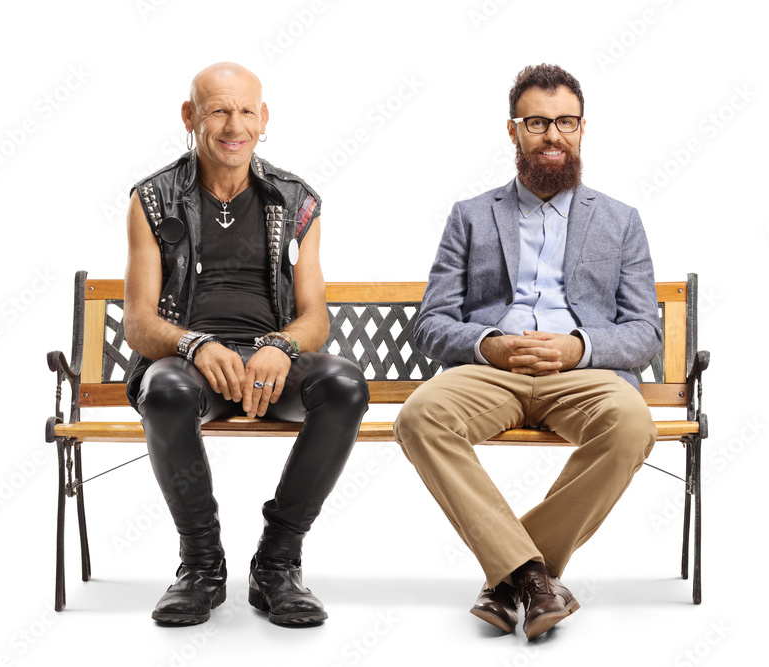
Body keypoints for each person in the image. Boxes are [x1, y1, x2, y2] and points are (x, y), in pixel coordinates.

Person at [393, 64, 662, 641]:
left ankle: (509, 576)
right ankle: (535, 577)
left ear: (583, 128)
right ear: (512, 130)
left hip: (584, 374)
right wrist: (490, 344)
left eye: (565, 121)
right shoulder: (471, 215)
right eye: (537, 122)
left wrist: (578, 347)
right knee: (419, 416)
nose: (552, 135)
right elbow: (432, 323)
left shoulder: (620, 221)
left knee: (632, 423)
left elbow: (644, 332)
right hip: (492, 372)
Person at [122, 62, 369, 627]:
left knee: (344, 385)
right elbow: (138, 324)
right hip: (189, 368)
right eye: (218, 110)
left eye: (246, 111)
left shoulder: (296, 198)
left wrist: (281, 346)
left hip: (270, 367)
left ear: (264, 119)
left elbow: (315, 317)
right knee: (163, 391)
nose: (234, 125)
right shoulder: (152, 199)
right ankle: (201, 567)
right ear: (191, 117)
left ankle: (278, 564)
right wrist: (194, 345)